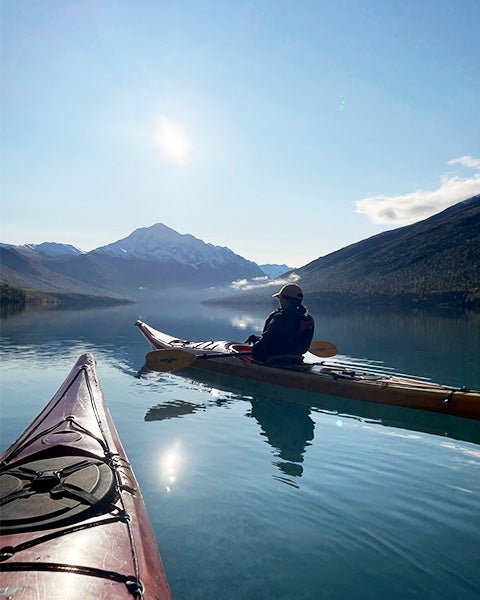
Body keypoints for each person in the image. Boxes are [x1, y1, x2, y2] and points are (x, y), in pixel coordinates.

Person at [245, 284, 315, 363]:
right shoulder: (307, 319)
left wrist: (256, 345)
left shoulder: (279, 318)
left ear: (287, 301)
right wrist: (257, 339)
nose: (280, 301)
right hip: (295, 358)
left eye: (281, 299)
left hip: (274, 358)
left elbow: (266, 344)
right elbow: (284, 340)